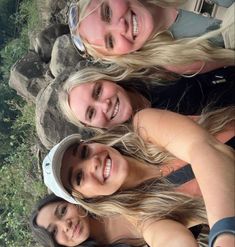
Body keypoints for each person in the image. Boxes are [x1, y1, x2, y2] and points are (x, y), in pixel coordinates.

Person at [42, 107, 235, 247]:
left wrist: (225, 234)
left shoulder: (144, 126)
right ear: (86, 198)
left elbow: (202, 148)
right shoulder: (144, 217)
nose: (93, 163)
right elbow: (167, 239)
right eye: (79, 177)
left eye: (84, 152)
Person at [68, 0, 235, 78]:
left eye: (108, 12)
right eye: (110, 41)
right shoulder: (179, 58)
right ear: (121, 55)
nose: (121, 26)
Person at [59, 65, 235, 130]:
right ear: (91, 126)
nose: (104, 105)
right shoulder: (141, 149)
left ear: (105, 79)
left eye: (98, 91)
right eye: (91, 113)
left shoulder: (148, 68)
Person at [30, 193, 142, 247]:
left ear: (72, 201)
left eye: (63, 211)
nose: (65, 225)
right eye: (54, 231)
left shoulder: (113, 195)